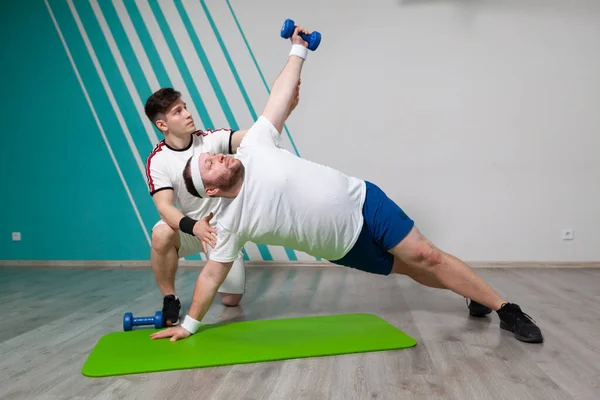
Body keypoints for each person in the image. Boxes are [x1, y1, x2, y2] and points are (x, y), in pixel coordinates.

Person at [151, 25, 544, 344]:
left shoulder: (254, 145)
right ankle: (470, 292)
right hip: (344, 247)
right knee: (412, 269)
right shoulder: (228, 223)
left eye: (214, 153)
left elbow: (280, 95)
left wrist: (298, 49)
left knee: (428, 256)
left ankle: (506, 309)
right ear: (213, 191)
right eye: (209, 164)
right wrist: (190, 325)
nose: (217, 155)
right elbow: (209, 276)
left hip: (364, 201)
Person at [143, 82, 301, 326]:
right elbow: (164, 207)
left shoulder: (211, 140)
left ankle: (217, 264)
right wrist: (194, 227)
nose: (187, 113)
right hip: (190, 229)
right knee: (161, 232)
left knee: (231, 300)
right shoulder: (158, 160)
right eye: (178, 111)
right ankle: (169, 298)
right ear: (162, 125)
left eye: (185, 107)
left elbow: (255, 137)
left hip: (220, 230)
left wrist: (285, 109)